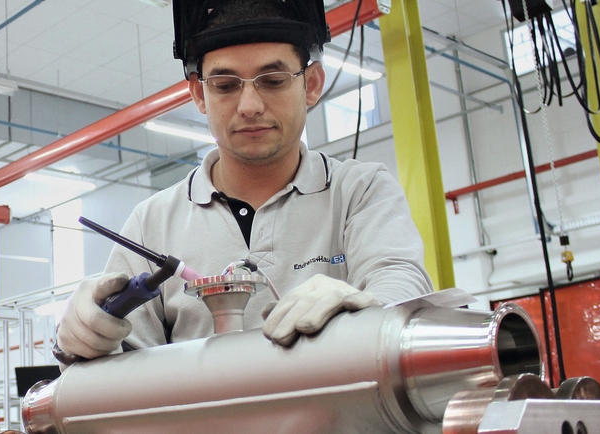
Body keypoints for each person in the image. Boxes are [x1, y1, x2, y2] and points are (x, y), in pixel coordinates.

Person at [55, 0, 433, 363]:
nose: (249, 105)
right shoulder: (152, 223)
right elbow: (117, 375)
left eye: (272, 80)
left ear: (312, 84)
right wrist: (86, 340)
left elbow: (401, 285)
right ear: (199, 93)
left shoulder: (360, 191)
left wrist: (370, 307)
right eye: (225, 84)